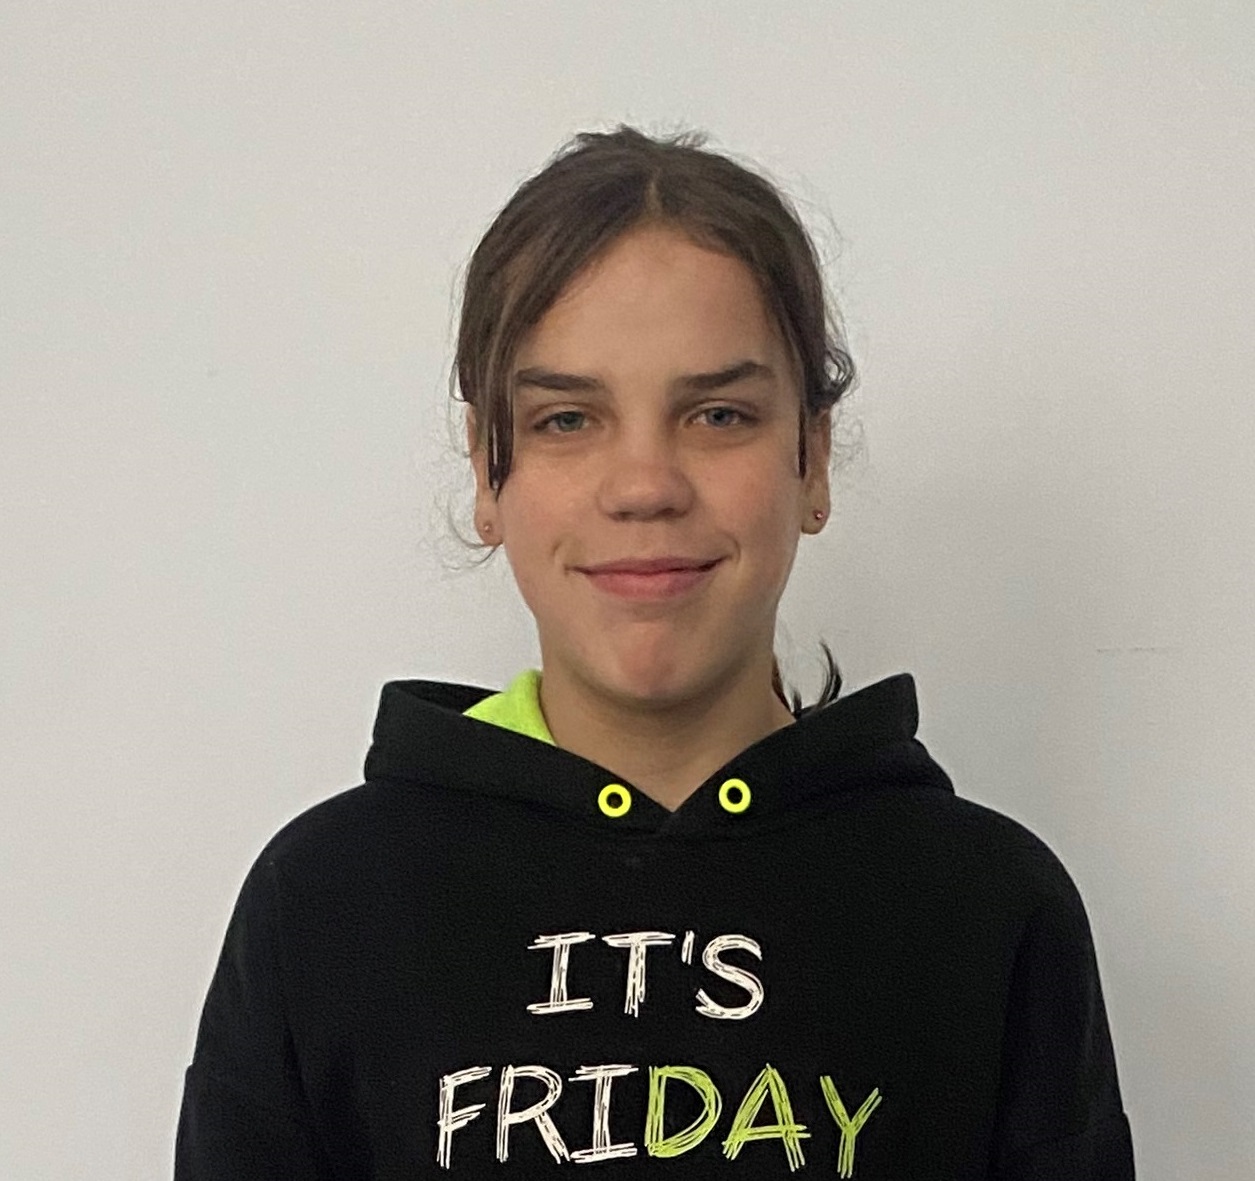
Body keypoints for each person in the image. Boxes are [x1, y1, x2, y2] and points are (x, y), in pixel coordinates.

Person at [175, 126, 1135, 1179]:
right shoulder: (327, 899)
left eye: (717, 414)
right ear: (487, 471)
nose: (644, 484)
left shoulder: (982, 905)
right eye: (566, 419)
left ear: (811, 459)